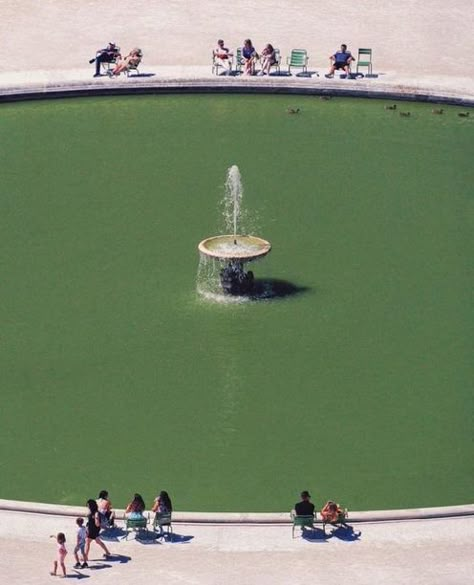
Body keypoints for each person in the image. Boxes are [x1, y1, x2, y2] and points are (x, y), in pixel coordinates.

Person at [83, 499, 111, 567]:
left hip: (93, 529)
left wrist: (98, 524)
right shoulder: (93, 512)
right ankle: (107, 552)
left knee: (87, 542)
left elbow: (97, 523)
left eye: (88, 506)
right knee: (98, 541)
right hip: (93, 529)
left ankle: (86, 557)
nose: (88, 507)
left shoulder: (95, 513)